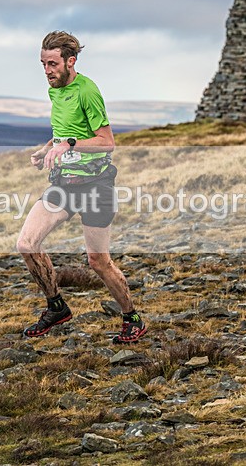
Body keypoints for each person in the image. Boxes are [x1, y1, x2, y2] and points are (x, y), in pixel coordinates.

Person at [16, 30, 147, 344]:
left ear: (70, 61)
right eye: (43, 63)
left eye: (52, 64)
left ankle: (132, 317)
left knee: (98, 262)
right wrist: (47, 148)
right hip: (63, 185)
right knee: (27, 244)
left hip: (95, 186)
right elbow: (64, 133)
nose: (47, 70)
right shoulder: (55, 91)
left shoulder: (87, 91)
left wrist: (70, 145)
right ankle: (57, 306)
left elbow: (107, 141)